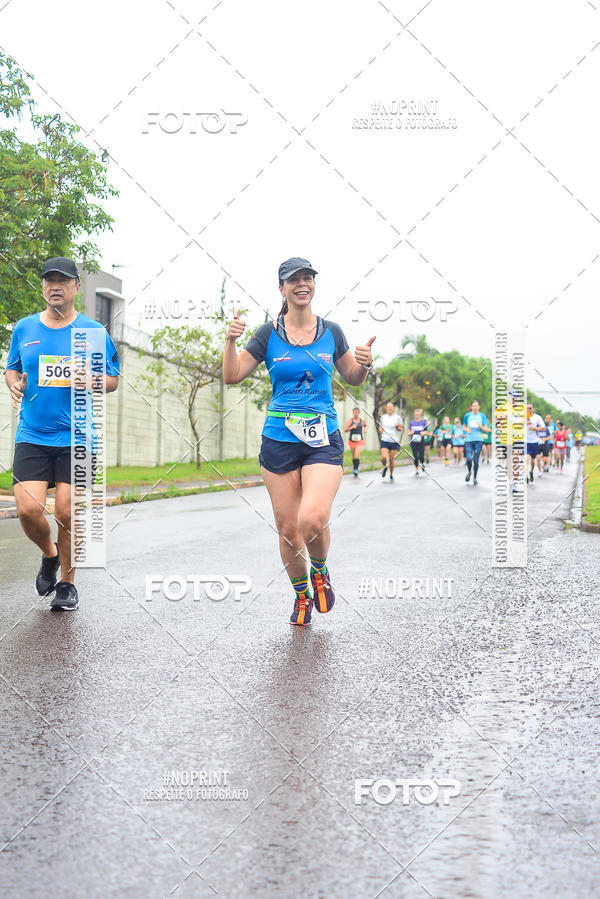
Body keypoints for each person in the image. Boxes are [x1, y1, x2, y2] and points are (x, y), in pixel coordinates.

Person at [222, 257, 375, 627]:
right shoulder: (267, 334)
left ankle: (320, 571)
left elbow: (352, 376)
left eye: (308, 278)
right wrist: (230, 341)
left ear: (314, 285)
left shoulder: (332, 332)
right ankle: (302, 596)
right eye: (294, 280)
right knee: (289, 531)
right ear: (282, 288)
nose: (302, 284)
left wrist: (366, 364)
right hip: (278, 439)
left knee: (312, 519)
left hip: (323, 437)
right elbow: (232, 375)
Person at [5, 257, 120, 611]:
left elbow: (113, 379)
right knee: (28, 509)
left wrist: (92, 379)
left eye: (63, 280)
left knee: (67, 513)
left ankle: (68, 584)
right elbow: (12, 369)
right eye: (49, 280)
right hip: (33, 434)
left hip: (78, 437)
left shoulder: (93, 332)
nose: (55, 286)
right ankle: (50, 554)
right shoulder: (24, 328)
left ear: (76, 287)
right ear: (42, 286)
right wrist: (14, 385)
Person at [463, 400, 490, 485]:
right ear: (471, 407)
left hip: (479, 440)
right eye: (473, 406)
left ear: (479, 407)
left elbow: (486, 429)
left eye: (476, 406)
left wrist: (480, 426)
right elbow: (464, 426)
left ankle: (475, 477)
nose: (475, 407)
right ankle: (469, 472)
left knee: (475, 460)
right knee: (469, 458)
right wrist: (467, 430)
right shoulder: (467, 415)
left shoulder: (482, 416)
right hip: (469, 440)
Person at [378, 401, 403, 481]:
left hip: (394, 441)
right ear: (386, 408)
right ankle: (385, 467)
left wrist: (397, 426)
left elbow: (400, 429)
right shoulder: (383, 417)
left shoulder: (397, 417)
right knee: (384, 458)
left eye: (391, 407)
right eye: (388, 407)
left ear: (393, 409)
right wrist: (380, 429)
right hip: (385, 440)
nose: (389, 409)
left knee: (391, 460)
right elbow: (380, 427)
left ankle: (391, 474)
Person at [525, 402, 546, 483]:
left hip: (535, 442)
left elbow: (543, 428)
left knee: (533, 461)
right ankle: (526, 476)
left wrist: (534, 428)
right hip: (525, 441)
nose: (528, 409)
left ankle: (531, 471)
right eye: (527, 408)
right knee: (526, 459)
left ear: (533, 409)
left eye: (530, 408)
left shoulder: (537, 417)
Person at [345, 406, 368, 477]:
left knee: (356, 455)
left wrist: (365, 429)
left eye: (357, 412)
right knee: (353, 456)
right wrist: (352, 427)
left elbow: (366, 425)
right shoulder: (350, 421)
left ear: (359, 413)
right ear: (353, 413)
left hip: (359, 441)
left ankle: (356, 470)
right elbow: (345, 430)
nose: (356, 413)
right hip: (352, 441)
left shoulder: (362, 420)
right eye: (355, 412)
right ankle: (354, 468)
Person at [408, 409, 430, 475]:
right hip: (413, 442)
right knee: (415, 456)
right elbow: (408, 432)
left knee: (421, 455)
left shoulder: (423, 422)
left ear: (420, 415)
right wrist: (411, 433)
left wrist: (423, 433)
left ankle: (422, 463)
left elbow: (427, 431)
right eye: (415, 414)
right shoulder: (412, 422)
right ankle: (416, 470)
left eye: (417, 414)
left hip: (421, 442)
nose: (416, 415)